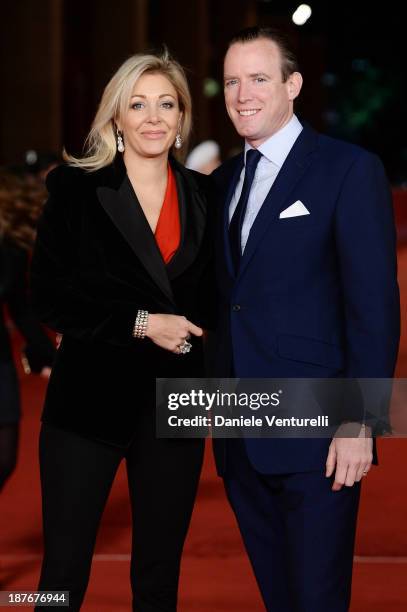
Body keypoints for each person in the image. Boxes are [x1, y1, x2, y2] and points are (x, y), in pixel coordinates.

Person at [211, 26, 400, 612]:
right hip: (239, 432)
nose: (243, 94)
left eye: (258, 79)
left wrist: (361, 421)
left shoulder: (347, 169)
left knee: (318, 599)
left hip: (319, 432)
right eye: (232, 82)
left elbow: (373, 305)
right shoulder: (219, 184)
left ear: (292, 85)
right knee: (279, 598)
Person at [30, 49, 215, 611]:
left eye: (166, 104)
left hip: (178, 404)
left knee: (159, 574)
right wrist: (141, 323)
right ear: (116, 119)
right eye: (138, 104)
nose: (153, 117)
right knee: (62, 574)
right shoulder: (75, 190)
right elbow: (50, 296)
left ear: (182, 119)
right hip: (87, 402)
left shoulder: (208, 197)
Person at [0, 169, 55, 492]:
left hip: (1, 361)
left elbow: (20, 308)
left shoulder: (11, 248)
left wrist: (48, 357)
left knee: (5, 459)